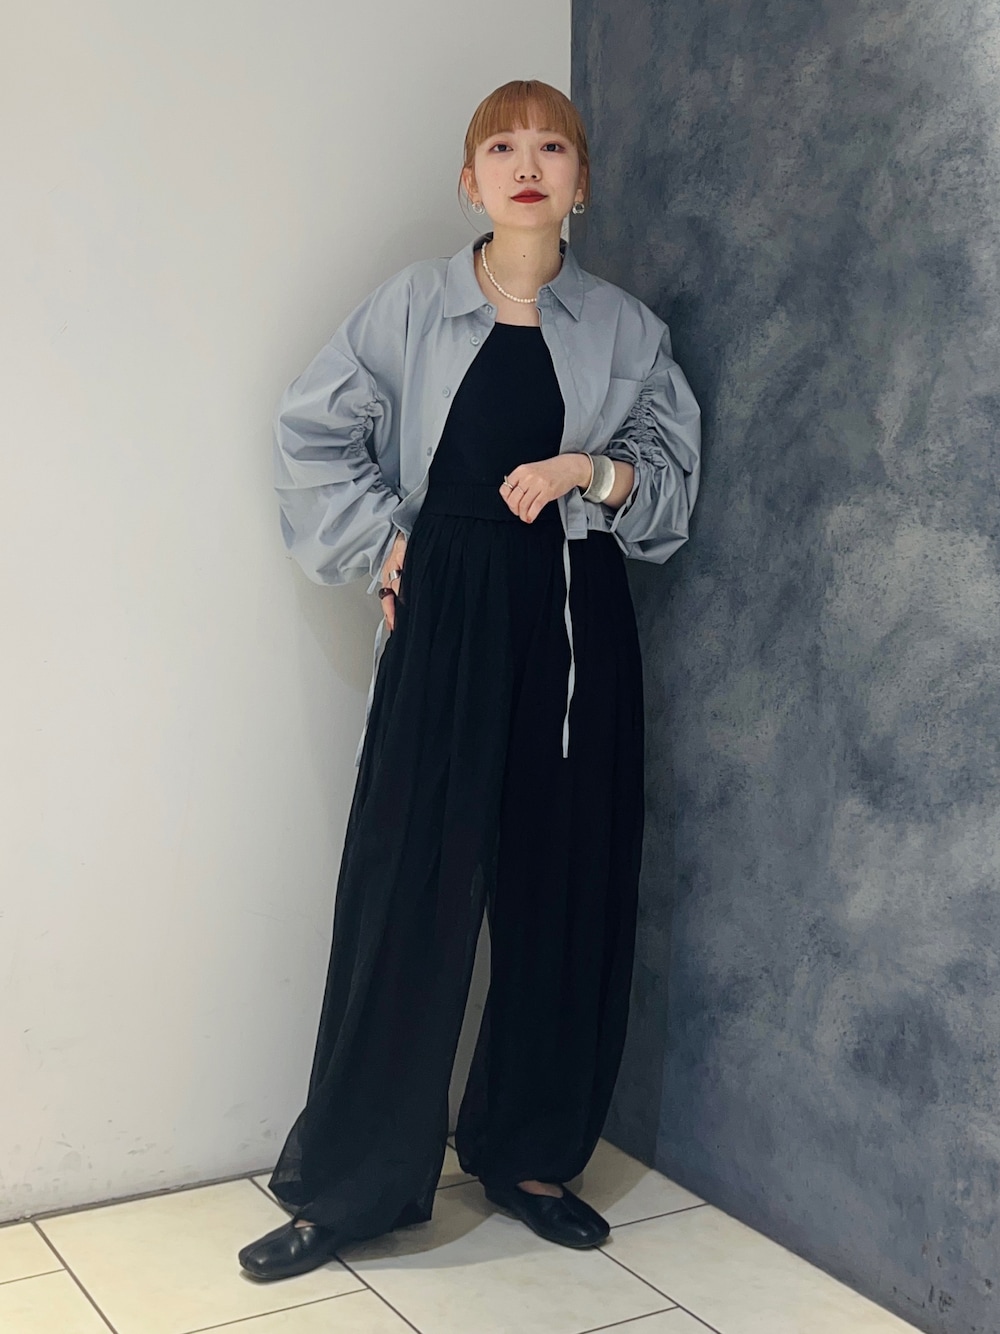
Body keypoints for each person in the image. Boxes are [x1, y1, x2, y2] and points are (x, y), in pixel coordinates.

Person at [239, 78, 701, 1282]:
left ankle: (529, 1156)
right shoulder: (411, 307)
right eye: (501, 146)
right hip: (444, 613)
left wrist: (589, 471)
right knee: (406, 888)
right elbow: (309, 429)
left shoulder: (625, 330)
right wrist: (383, 543)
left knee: (564, 886)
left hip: (574, 623)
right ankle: (350, 1182)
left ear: (582, 183)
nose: (526, 163)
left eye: (552, 146)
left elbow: (668, 489)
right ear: (469, 180)